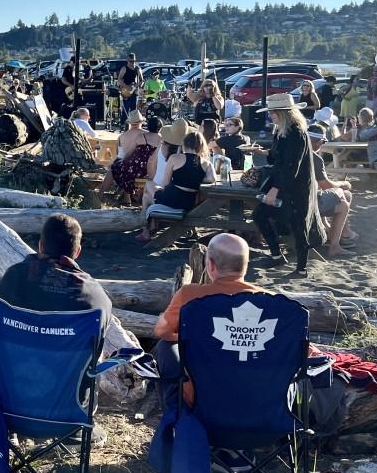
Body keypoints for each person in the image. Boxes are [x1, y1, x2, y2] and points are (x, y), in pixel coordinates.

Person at [152, 233, 267, 409]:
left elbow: (162, 331)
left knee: (164, 346)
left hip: (202, 397)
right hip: (260, 396)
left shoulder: (190, 295)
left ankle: (175, 417)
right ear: (246, 266)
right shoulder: (272, 302)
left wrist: (191, 338)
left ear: (211, 264)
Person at [0, 213, 112, 326]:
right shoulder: (93, 293)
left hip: (12, 346)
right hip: (69, 347)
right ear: (78, 252)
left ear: (40, 246)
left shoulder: (13, 276)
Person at [253, 93, 325, 278]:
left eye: (273, 112)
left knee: (298, 226)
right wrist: (263, 152)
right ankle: (277, 254)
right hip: (283, 182)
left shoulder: (296, 133)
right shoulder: (281, 131)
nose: (271, 116)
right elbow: (279, 157)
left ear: (284, 113)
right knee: (260, 214)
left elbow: (291, 165)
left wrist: (275, 189)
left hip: (296, 187)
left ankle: (301, 268)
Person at [307, 125, 356, 256]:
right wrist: (343, 183)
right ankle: (334, 246)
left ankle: (339, 234)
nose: (322, 145)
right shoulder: (314, 158)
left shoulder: (294, 152)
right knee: (343, 204)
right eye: (322, 142)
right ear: (317, 142)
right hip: (306, 203)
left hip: (291, 199)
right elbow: (326, 185)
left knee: (345, 194)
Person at [150, 132, 215, 214]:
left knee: (149, 187)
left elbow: (165, 184)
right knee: (151, 192)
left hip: (171, 199)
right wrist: (196, 179)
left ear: (184, 144)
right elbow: (212, 179)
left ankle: (149, 221)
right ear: (201, 146)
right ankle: (152, 221)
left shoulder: (174, 158)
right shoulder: (207, 163)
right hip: (190, 202)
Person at [103, 111, 162, 202]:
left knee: (116, 166)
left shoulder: (124, 136)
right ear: (141, 122)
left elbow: (123, 155)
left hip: (135, 166)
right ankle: (133, 196)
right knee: (125, 167)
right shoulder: (155, 136)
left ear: (129, 123)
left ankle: (104, 193)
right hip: (152, 168)